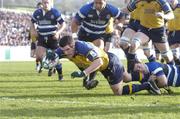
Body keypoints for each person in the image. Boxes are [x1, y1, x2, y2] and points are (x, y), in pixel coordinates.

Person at [44, 35, 161, 95]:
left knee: (118, 92)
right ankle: (149, 78)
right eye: (63, 50)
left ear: (73, 46)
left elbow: (98, 62)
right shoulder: (64, 50)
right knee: (127, 78)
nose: (65, 53)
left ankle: (147, 85)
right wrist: (49, 60)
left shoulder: (84, 48)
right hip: (102, 65)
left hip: (110, 63)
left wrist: (84, 74)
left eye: (67, 50)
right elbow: (54, 56)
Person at [125, 0, 175, 72]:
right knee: (133, 44)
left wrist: (163, 15)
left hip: (158, 31)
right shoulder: (137, 1)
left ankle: (174, 71)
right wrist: (115, 12)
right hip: (144, 29)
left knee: (166, 55)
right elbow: (127, 9)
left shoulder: (161, 2)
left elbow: (171, 15)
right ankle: (130, 70)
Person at [30, 0, 66, 80]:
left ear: (51, 3)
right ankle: (50, 67)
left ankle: (60, 75)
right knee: (38, 56)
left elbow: (63, 24)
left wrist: (58, 33)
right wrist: (33, 30)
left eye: (47, 2)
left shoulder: (55, 12)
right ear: (42, 3)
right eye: (44, 2)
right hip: (42, 37)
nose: (46, 4)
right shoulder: (37, 12)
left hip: (52, 38)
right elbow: (32, 22)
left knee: (54, 58)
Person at [167, 0, 180, 66]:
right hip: (171, 32)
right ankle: (177, 65)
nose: (171, 1)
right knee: (173, 53)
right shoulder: (167, 7)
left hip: (179, 30)